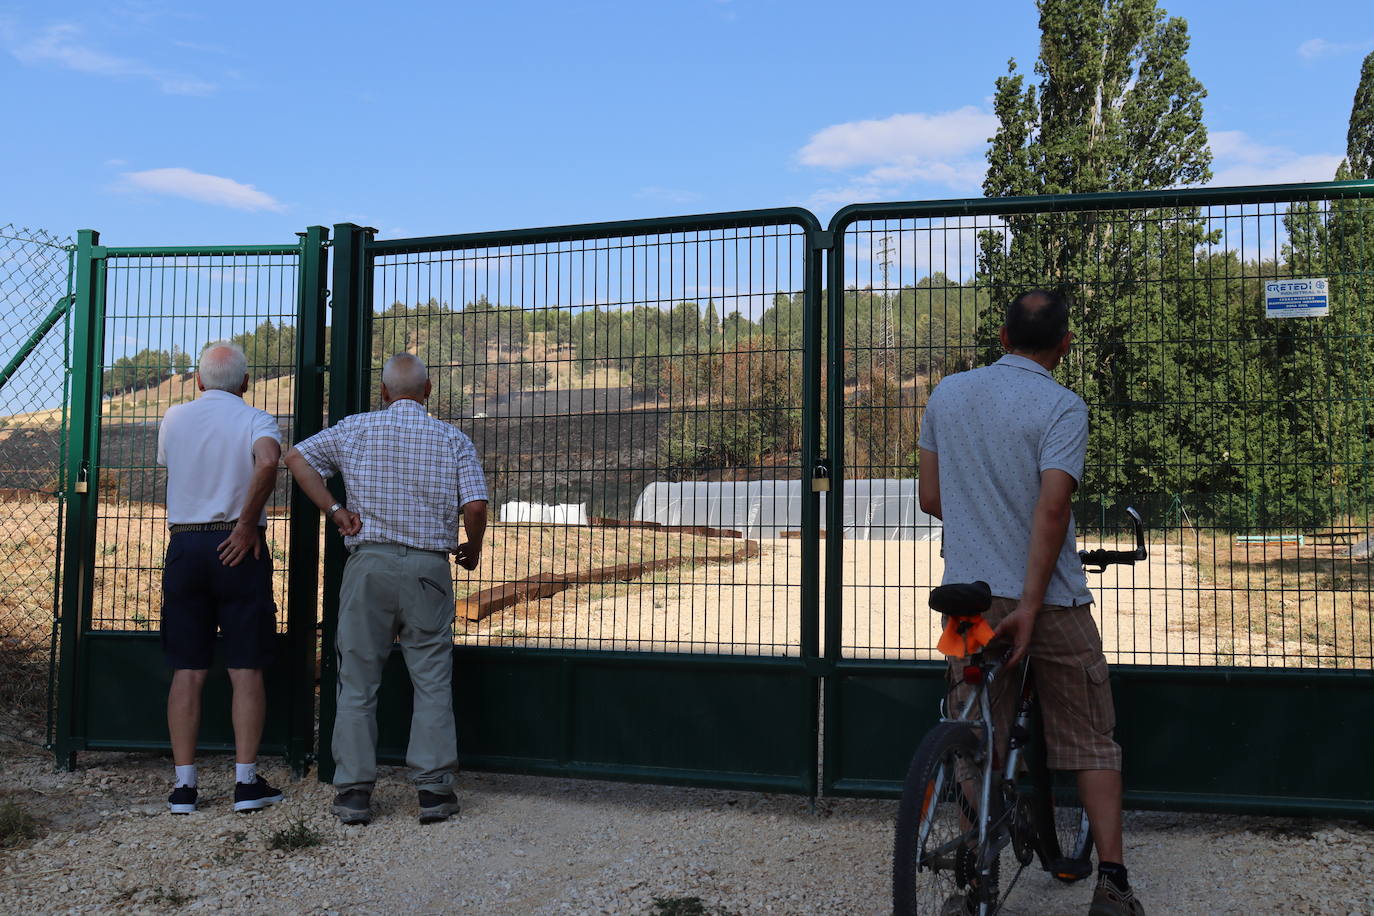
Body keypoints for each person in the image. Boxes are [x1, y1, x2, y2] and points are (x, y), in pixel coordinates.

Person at [916, 290, 1144, 916]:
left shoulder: (946, 395)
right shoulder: (1063, 407)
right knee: (1093, 738)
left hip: (967, 597)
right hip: (1054, 601)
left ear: (1002, 336)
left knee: (969, 726)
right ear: (1065, 345)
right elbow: (1053, 508)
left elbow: (931, 498)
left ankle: (974, 865)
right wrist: (1034, 603)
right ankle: (1114, 886)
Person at [284, 352, 488, 826]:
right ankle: (434, 792)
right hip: (428, 569)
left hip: (368, 564)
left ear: (383, 392)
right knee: (432, 679)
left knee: (357, 680)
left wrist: (335, 511)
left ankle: (354, 792)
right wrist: (471, 549)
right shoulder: (451, 438)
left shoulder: (355, 428)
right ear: (429, 390)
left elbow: (296, 457)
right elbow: (475, 507)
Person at [157, 340, 285, 814]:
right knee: (244, 666)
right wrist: (248, 522)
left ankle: (184, 788)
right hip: (239, 545)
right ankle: (246, 783)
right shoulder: (257, 418)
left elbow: (172, 465)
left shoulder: (173, 418)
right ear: (247, 383)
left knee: (187, 669)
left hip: (187, 544)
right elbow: (269, 461)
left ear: (198, 380)